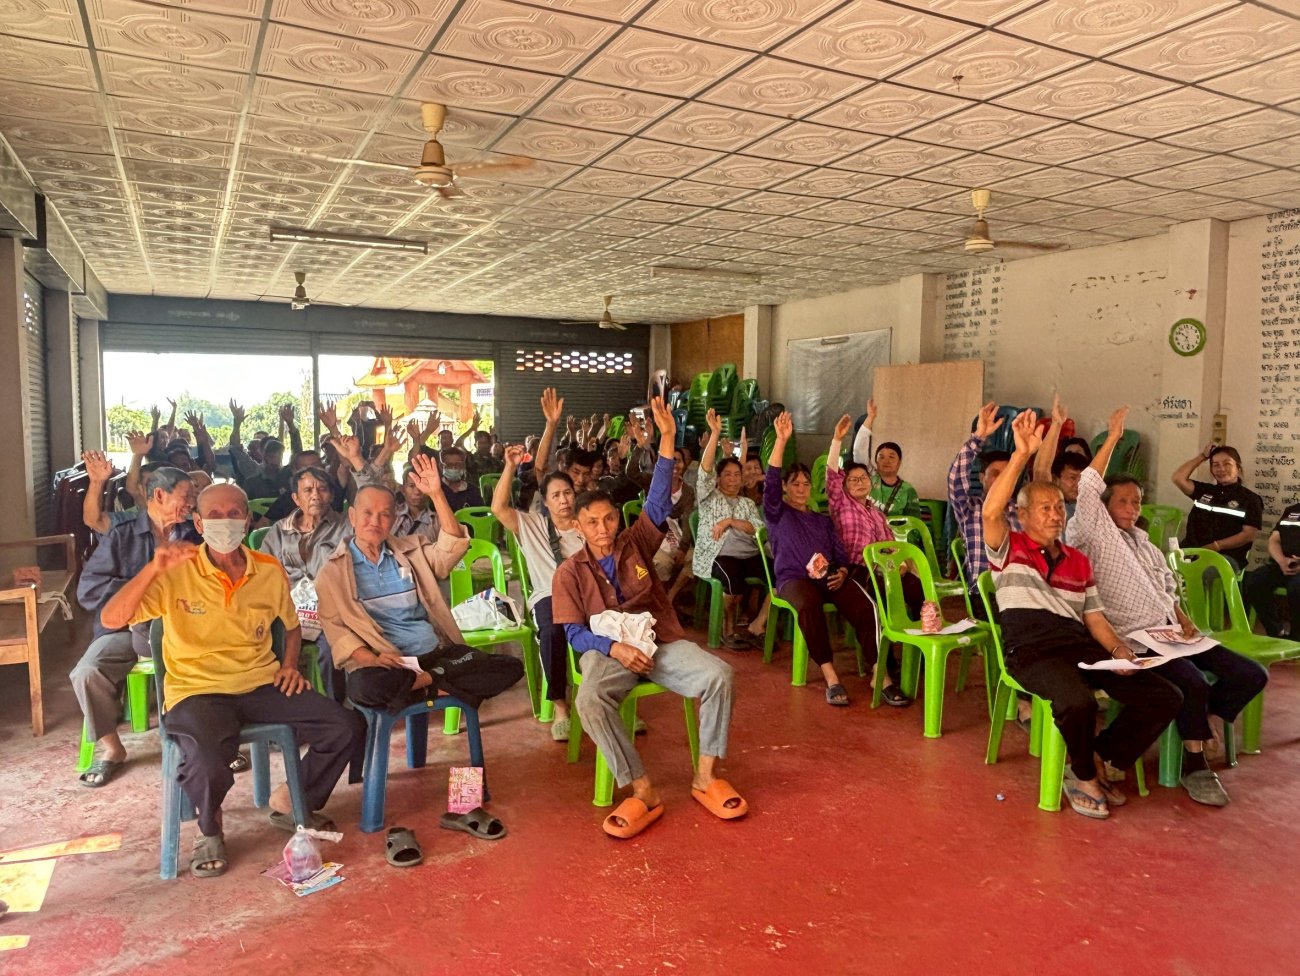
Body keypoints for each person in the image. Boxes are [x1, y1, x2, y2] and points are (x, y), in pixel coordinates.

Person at [99, 483, 365, 878]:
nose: (225, 522)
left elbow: (291, 626)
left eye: (234, 514)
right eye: (215, 515)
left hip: (260, 683)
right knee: (208, 759)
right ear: (198, 523)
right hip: (197, 691)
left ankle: (292, 799)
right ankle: (209, 827)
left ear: (247, 520)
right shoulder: (176, 571)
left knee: (345, 725)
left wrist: (290, 665)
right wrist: (154, 567)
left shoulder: (268, 569)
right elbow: (111, 618)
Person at [552, 397, 745, 839]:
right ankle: (642, 789)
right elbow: (575, 634)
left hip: (660, 642)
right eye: (592, 523)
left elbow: (657, 500)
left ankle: (706, 776)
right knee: (589, 701)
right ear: (578, 527)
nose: (603, 529)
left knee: (720, 675)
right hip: (610, 653)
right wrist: (615, 647)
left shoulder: (635, 542)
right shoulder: (569, 573)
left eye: (608, 519)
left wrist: (668, 439)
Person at [985, 409, 1182, 819]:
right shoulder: (1009, 547)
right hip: (1031, 650)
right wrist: (1020, 456)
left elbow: (1094, 618)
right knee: (1077, 702)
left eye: (1059, 506)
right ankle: (1083, 775)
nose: (1056, 514)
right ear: (1023, 515)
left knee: (1164, 695)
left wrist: (1120, 651)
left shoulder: (1078, 560)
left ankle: (1101, 755)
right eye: (1045, 508)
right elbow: (990, 512)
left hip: (1080, 645)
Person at [1067, 405, 1267, 806]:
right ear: (1104, 507)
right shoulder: (1091, 531)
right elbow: (1088, 486)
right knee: (1191, 683)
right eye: (1123, 501)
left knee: (1251, 674)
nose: (1133, 508)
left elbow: (1166, 589)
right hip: (1134, 638)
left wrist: (1184, 620)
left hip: (1171, 632)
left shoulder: (1144, 542)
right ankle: (1195, 764)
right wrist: (1114, 437)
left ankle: (1200, 721)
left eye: (1137, 501)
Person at [315, 457, 522, 728]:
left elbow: (452, 546)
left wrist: (436, 494)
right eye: (367, 513)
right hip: (388, 662)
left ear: (393, 519)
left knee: (509, 666)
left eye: (384, 514)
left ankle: (425, 683)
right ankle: (438, 685)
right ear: (352, 516)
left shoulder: (412, 551)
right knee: (362, 687)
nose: (375, 521)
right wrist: (373, 658)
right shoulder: (332, 573)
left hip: (433, 654)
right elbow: (337, 631)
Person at [72, 467, 201, 787]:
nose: (191, 503)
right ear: (159, 495)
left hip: (180, 625)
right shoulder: (123, 533)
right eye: (186, 496)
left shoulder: (193, 532)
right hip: (125, 628)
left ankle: (208, 739)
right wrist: (138, 592)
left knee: (207, 660)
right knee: (87, 672)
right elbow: (89, 591)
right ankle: (112, 749)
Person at [765, 411, 879, 707]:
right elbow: (771, 481)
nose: (801, 489)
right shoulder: (777, 513)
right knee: (808, 604)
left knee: (864, 603)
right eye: (795, 484)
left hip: (828, 578)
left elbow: (840, 552)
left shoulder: (822, 520)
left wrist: (842, 571)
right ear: (785, 487)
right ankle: (831, 676)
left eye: (806, 484)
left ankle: (878, 670)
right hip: (793, 580)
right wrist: (781, 441)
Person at [491, 445, 585, 741]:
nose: (563, 500)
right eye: (556, 495)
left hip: (587, 596)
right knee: (552, 631)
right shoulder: (532, 525)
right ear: (545, 501)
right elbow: (499, 508)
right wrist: (510, 466)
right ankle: (560, 707)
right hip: (549, 595)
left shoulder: (587, 526)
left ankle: (615, 698)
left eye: (567, 493)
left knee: (614, 623)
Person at [826, 413, 917, 701]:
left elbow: (890, 545)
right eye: (852, 479)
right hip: (855, 570)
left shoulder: (877, 514)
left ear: (871, 483)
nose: (859, 482)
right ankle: (882, 672)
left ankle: (918, 654)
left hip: (882, 571)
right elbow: (831, 473)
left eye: (863, 478)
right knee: (872, 608)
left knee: (918, 590)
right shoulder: (841, 504)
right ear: (844, 486)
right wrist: (837, 440)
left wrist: (901, 565)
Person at [261, 465, 355, 699]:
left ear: (331, 495)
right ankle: (286, 706)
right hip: (287, 610)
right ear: (296, 498)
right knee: (269, 646)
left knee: (334, 649)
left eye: (322, 489)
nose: (315, 495)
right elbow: (263, 574)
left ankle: (335, 707)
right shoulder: (278, 531)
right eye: (308, 490)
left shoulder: (345, 527)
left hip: (330, 609)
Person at [695, 409, 766, 650]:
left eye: (737, 474)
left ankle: (758, 625)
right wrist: (715, 434)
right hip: (720, 554)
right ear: (718, 479)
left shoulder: (747, 503)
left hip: (750, 554)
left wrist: (730, 522)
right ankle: (728, 629)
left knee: (781, 577)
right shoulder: (709, 497)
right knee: (732, 581)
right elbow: (704, 471)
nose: (734, 479)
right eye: (728, 475)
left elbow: (757, 530)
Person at [949, 401, 1021, 594]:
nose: (1002, 479)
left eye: (1007, 475)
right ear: (981, 478)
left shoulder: (1022, 511)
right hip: (984, 597)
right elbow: (956, 479)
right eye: (996, 473)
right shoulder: (970, 509)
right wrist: (978, 437)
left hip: (1020, 596)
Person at [1172, 444, 1263, 568]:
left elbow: (1248, 535)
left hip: (1224, 558)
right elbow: (1178, 478)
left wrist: (1216, 546)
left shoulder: (1250, 499)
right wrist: (1202, 456)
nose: (1221, 469)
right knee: (1159, 572)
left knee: (1201, 574)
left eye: (1227, 464)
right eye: (1215, 465)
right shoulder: (1204, 491)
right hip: (1190, 552)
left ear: (1238, 468)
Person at [1243, 499, 1300, 638]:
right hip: (1283, 563)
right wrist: (1281, 560)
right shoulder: (1292, 510)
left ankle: (1296, 637)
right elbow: (1274, 539)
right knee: (1253, 580)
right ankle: (1275, 629)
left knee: (1297, 587)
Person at [437, 446, 484, 511]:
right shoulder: (436, 489)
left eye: (457, 464)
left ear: (463, 466)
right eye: (449, 465)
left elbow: (481, 513)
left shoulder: (473, 491)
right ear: (441, 466)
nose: (453, 468)